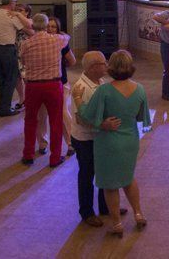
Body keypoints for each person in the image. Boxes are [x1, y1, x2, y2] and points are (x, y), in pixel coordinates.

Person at [79, 50, 151, 236]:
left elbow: (87, 115)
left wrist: (78, 99)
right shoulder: (140, 89)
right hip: (130, 140)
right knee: (128, 178)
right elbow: (140, 116)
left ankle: (117, 224)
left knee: (110, 184)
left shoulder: (104, 91)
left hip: (108, 142)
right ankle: (138, 214)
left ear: (111, 68)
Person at [70, 51, 125, 227]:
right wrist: (103, 126)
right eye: (103, 63)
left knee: (103, 171)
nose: (107, 65)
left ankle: (105, 206)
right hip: (85, 139)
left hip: (98, 137)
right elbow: (81, 119)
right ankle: (86, 212)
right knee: (87, 174)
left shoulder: (100, 81)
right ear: (93, 67)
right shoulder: (81, 88)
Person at [19, 14, 71, 167]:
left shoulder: (26, 44)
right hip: (53, 85)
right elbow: (67, 37)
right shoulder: (57, 40)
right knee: (55, 121)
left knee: (30, 120)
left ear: (33, 26)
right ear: (47, 25)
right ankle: (55, 158)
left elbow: (23, 61)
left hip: (33, 86)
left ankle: (28, 154)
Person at [33, 17, 76, 157]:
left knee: (63, 112)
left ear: (57, 29)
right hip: (43, 83)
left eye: (53, 27)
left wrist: (61, 66)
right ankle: (43, 142)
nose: (50, 29)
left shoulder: (61, 42)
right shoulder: (39, 43)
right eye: (48, 26)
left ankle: (70, 142)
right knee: (42, 114)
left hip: (61, 83)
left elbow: (72, 61)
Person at [13, 3, 33, 112]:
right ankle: (22, 98)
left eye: (20, 10)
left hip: (27, 54)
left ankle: (30, 99)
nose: (18, 12)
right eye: (16, 10)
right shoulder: (13, 20)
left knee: (27, 78)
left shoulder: (30, 21)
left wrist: (20, 26)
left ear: (26, 12)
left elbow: (32, 32)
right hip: (15, 52)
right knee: (17, 77)